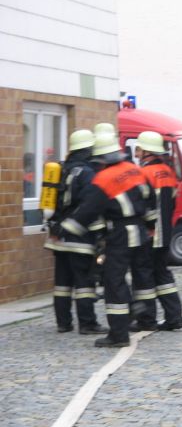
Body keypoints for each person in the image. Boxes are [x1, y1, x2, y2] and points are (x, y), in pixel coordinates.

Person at [59, 132, 157, 347]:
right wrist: (150, 226)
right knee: (143, 276)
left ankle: (119, 335)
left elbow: (89, 209)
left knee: (114, 282)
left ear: (100, 159)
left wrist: (67, 227)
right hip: (141, 231)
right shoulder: (135, 169)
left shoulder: (103, 179)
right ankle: (146, 317)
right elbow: (150, 200)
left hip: (120, 234)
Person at [44, 129, 108, 335]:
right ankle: (87, 323)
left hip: (57, 236)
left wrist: (56, 227)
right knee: (84, 283)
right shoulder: (88, 173)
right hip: (79, 237)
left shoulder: (61, 168)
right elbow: (90, 207)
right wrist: (100, 234)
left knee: (62, 283)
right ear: (88, 149)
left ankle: (63, 323)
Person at [130, 131, 182, 331]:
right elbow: (173, 203)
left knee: (144, 276)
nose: (136, 153)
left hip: (149, 233)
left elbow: (141, 205)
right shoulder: (167, 172)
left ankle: (146, 320)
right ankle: (174, 317)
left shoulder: (143, 173)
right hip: (165, 233)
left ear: (146, 151)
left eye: (138, 149)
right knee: (163, 275)